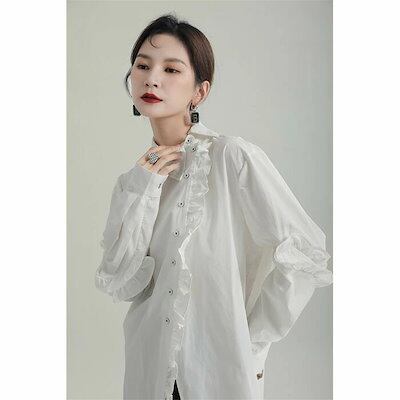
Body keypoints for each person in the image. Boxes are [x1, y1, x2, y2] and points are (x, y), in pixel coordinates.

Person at [94, 13, 333, 400]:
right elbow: (121, 281)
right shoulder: (133, 182)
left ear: (199, 92)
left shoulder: (230, 158)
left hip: (218, 373)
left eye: (172, 69)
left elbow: (305, 252)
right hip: (149, 370)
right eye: (142, 65)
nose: (152, 79)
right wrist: (143, 186)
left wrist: (252, 344)